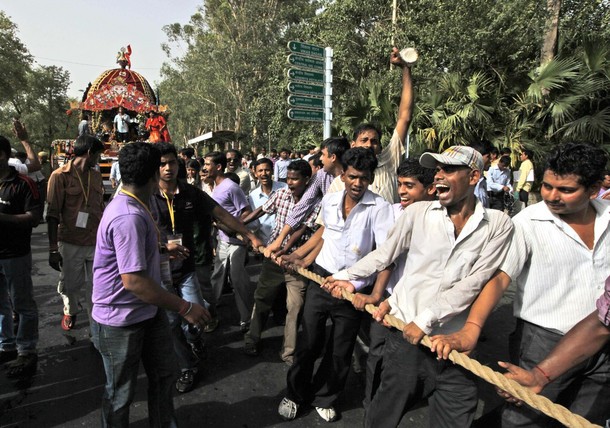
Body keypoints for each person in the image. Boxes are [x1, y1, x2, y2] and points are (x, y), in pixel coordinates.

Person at [327, 145, 513, 427]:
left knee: (455, 417)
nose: (439, 176)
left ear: (474, 176)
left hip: (455, 348)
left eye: (448, 169)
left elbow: (476, 282)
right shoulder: (418, 213)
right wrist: (348, 277)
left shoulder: (497, 224)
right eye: (437, 169)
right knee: (381, 417)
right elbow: (385, 253)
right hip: (405, 340)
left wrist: (426, 320)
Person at [430, 143, 610, 427]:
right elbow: (501, 277)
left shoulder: (609, 216)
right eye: (548, 186)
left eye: (566, 190)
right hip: (544, 342)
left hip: (604, 346)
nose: (552, 196)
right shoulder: (528, 221)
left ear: (594, 188)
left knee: (584, 418)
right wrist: (472, 329)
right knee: (526, 417)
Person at [91, 142, 210, 427]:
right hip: (120, 320)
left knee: (164, 376)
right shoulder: (129, 215)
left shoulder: (132, 203)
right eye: (162, 166)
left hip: (146, 313)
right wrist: (184, 307)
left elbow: (128, 257)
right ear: (152, 174)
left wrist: (159, 249)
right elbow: (133, 281)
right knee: (120, 393)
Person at [278, 148, 393, 423]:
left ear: (370, 179)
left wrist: (372, 292)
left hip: (353, 289)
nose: (357, 183)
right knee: (308, 344)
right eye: (353, 176)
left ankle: (326, 396)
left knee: (340, 350)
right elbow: (324, 235)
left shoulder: (380, 208)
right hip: (321, 279)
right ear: (343, 175)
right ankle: (294, 394)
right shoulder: (329, 201)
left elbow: (386, 255)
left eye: (364, 179)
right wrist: (299, 256)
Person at [355, 158, 436, 413]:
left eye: (410, 186)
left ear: (430, 188)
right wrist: (378, 295)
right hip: (390, 298)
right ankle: (373, 406)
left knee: (425, 364)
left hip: (427, 308)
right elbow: (385, 257)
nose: (402, 191)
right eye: (400, 184)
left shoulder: (442, 220)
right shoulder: (391, 212)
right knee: (378, 355)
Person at [242, 160, 316, 364]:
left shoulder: (316, 202)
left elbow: (301, 229)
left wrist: (284, 249)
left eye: (295, 179)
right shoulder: (281, 194)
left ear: (307, 180)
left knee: (296, 307)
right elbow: (262, 210)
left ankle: (289, 352)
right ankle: (252, 338)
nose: (290, 183)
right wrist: (240, 225)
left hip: (297, 263)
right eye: (288, 178)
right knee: (262, 299)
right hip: (273, 260)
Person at [46, 134, 105, 331]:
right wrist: (53, 249)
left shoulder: (96, 176)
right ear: (89, 153)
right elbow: (52, 215)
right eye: (97, 155)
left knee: (97, 287)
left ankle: (96, 329)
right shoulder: (59, 176)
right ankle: (70, 310)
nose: (99, 159)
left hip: (95, 241)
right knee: (71, 285)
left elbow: (100, 207)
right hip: (70, 241)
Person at [205, 152, 263, 331]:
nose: (205, 168)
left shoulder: (231, 187)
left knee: (238, 281)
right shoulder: (215, 186)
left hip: (236, 242)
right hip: (222, 240)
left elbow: (245, 211)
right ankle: (210, 316)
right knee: (216, 278)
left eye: (208, 164)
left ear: (218, 167)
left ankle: (247, 319)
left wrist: (236, 228)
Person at [0, 130, 41, 377]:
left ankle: (27, 350)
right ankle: (6, 345)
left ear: (5, 156)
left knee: (22, 303)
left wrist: (2, 218)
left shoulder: (23, 184)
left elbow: (34, 218)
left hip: (15, 254)